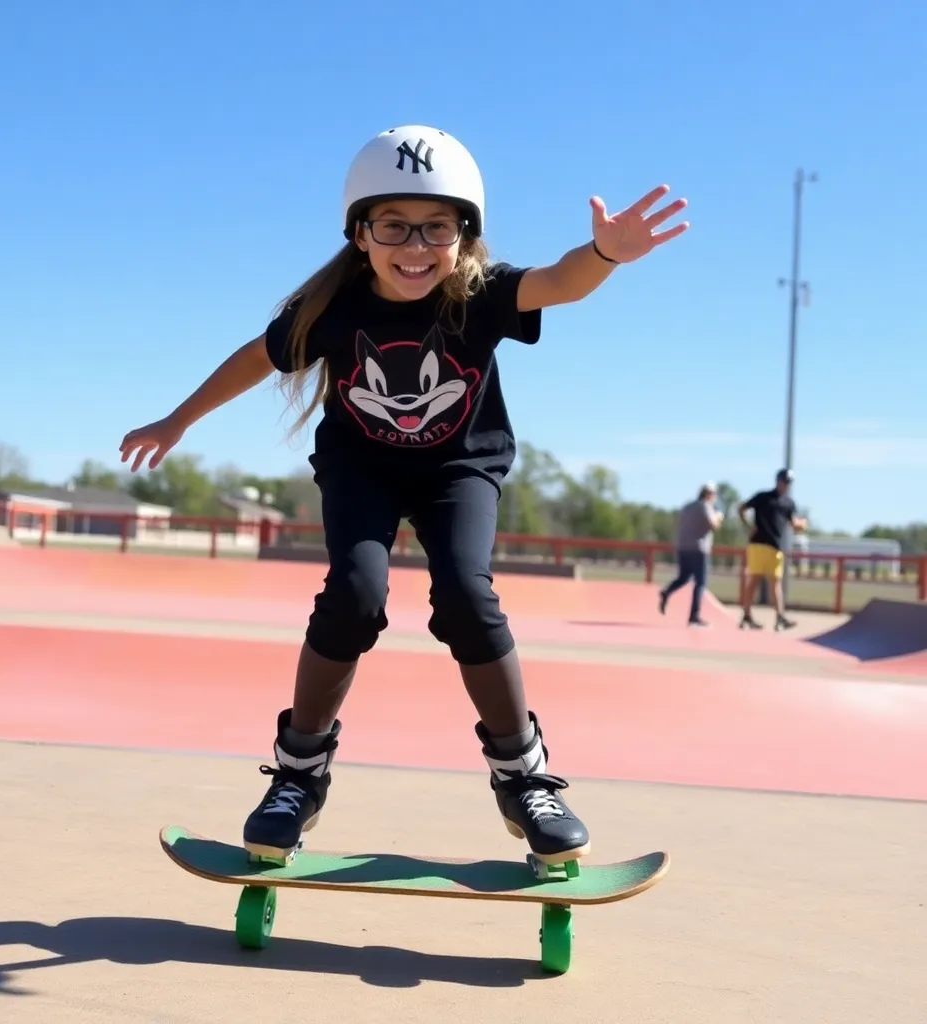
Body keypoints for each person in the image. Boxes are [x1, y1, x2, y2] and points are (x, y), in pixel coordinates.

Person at [119, 125, 689, 867]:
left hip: (461, 469)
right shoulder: (333, 309)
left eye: (437, 228)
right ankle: (298, 774)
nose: (416, 246)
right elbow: (255, 359)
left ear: (464, 237)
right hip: (362, 466)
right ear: (360, 233)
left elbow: (561, 280)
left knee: (464, 593)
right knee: (354, 593)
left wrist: (608, 253)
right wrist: (177, 419)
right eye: (394, 226)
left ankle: (524, 778)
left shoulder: (481, 296)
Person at [737, 468, 807, 631]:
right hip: (758, 544)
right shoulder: (763, 497)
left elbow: (795, 524)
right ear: (778, 481)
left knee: (775, 583)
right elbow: (741, 508)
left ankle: (780, 617)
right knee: (753, 580)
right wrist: (748, 526)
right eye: (784, 481)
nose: (786, 485)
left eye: (788, 482)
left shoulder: (789, 503)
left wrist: (802, 524)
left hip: (776, 547)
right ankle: (746, 615)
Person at [658, 482, 723, 626]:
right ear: (709, 494)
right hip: (699, 549)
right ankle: (694, 616)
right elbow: (713, 524)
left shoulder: (687, 506)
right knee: (700, 583)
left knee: (683, 577)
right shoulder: (705, 506)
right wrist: (718, 517)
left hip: (682, 547)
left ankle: (667, 591)